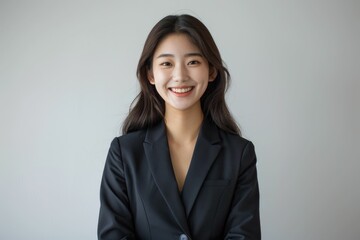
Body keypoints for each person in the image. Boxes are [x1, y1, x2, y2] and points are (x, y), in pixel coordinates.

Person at [98, 14, 261, 240]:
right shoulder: (124, 153)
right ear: (150, 74)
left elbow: (244, 235)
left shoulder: (239, 154)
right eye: (167, 63)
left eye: (193, 62)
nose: (180, 76)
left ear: (211, 71)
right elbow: (114, 235)